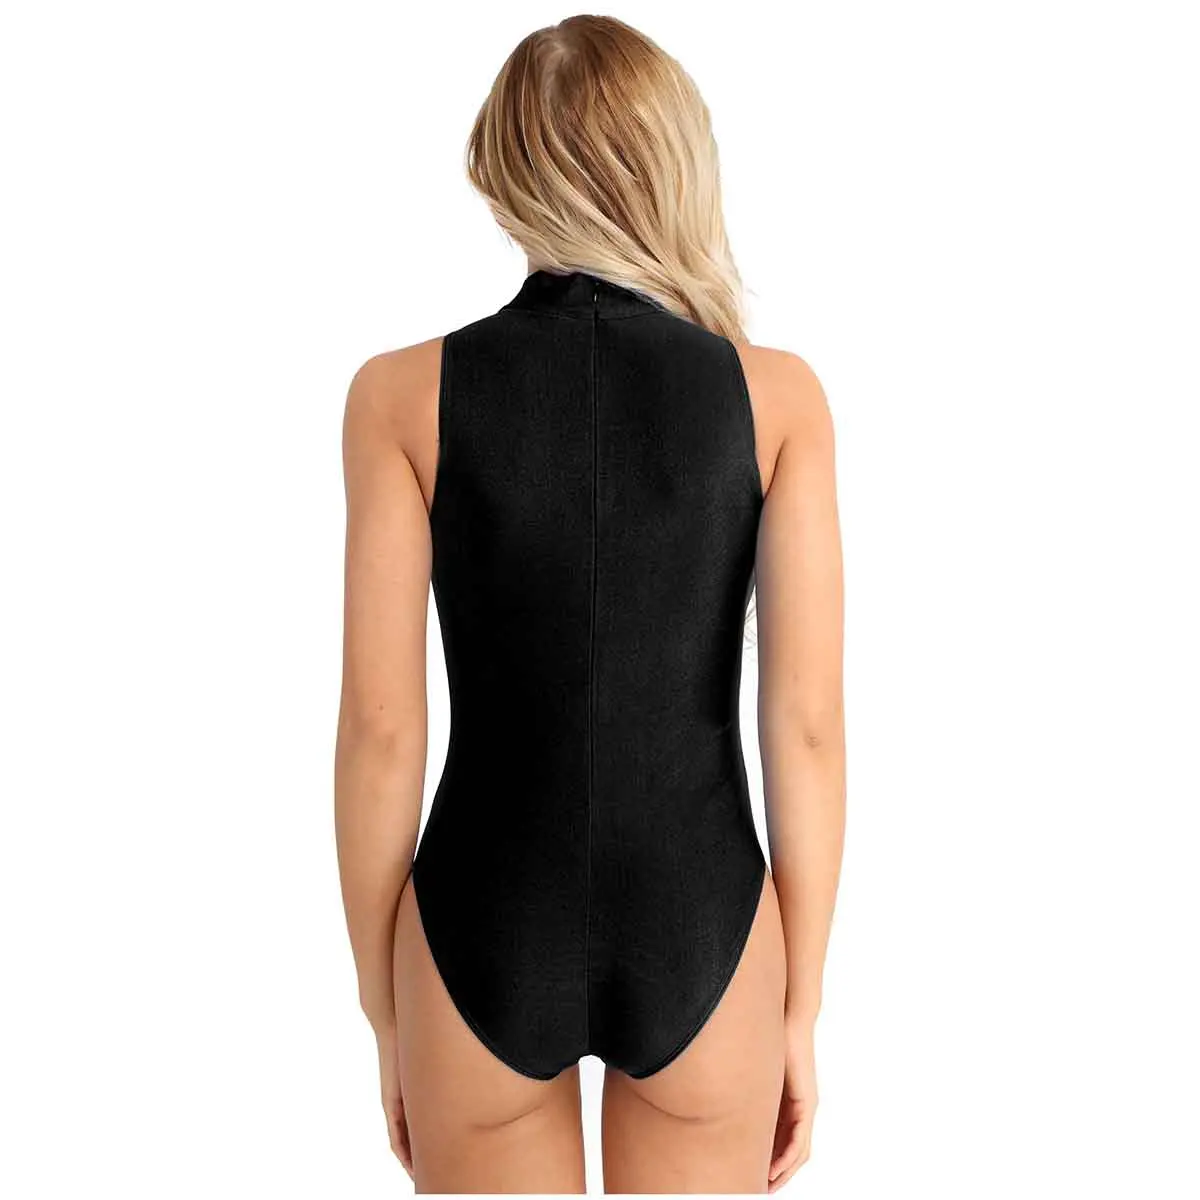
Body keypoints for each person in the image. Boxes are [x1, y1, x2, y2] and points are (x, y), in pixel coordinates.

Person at [334, 14, 845, 1194]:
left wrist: (384, 1006)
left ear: (504, 168)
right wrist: (800, 1004)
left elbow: (381, 733)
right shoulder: (777, 399)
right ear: (675, 159)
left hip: (481, 923)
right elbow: (807, 727)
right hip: (704, 921)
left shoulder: (399, 397)